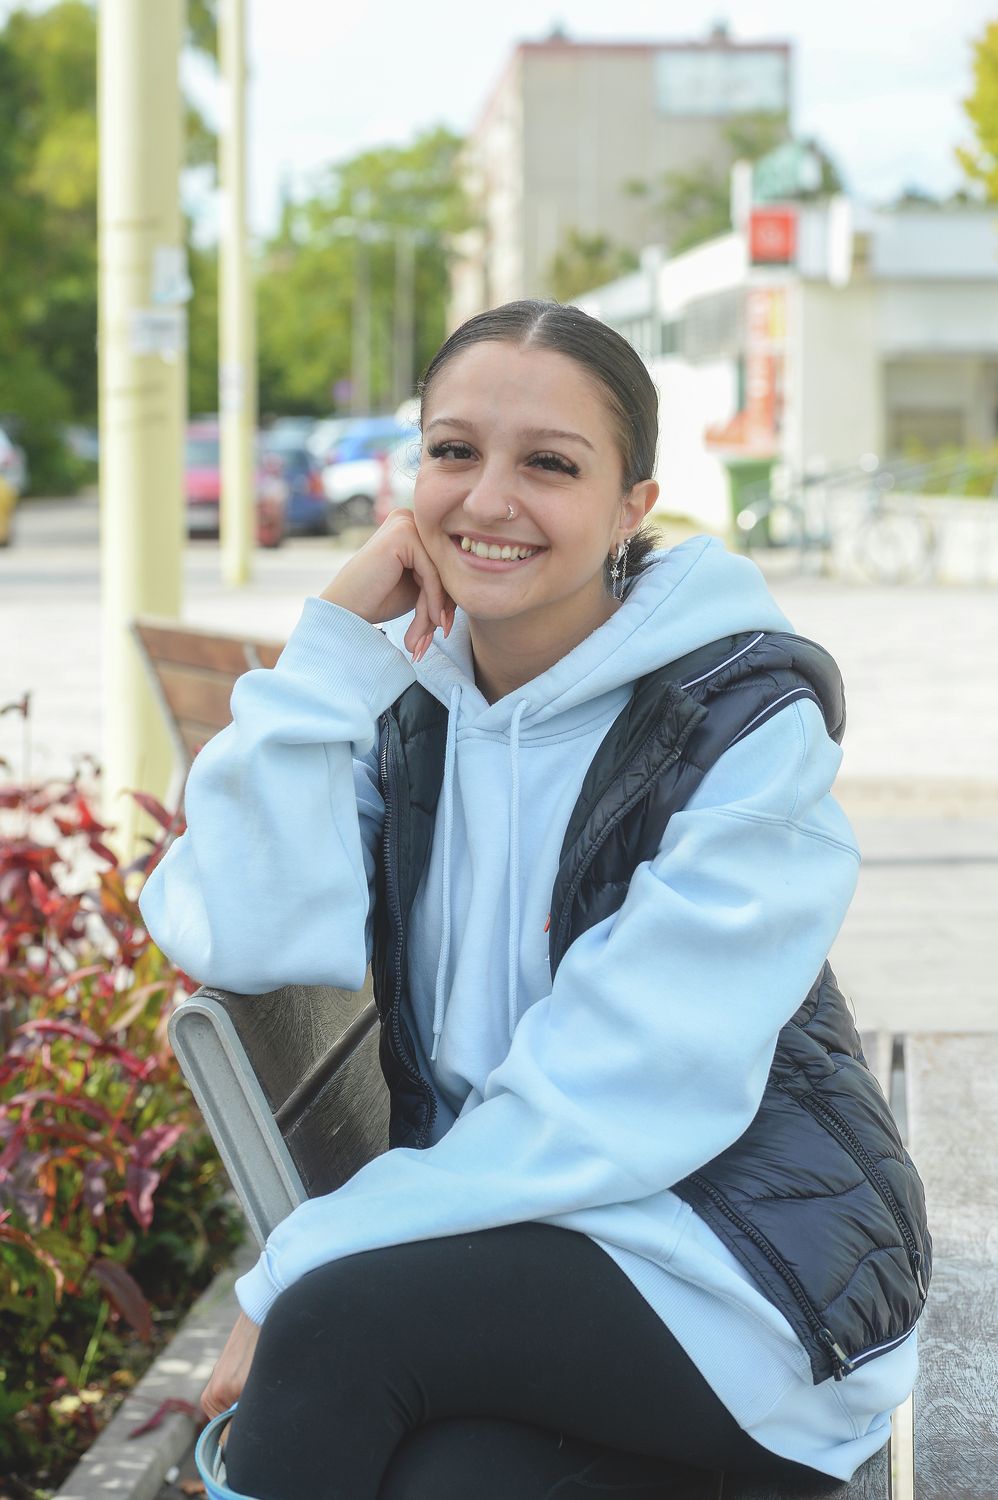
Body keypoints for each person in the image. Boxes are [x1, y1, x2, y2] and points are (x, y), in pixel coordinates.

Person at [140, 301, 929, 1500]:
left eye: (547, 465)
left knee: (333, 1326)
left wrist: (298, 1264)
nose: (487, 500)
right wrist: (326, 661)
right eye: (453, 451)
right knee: (438, 1477)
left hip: (730, 1261)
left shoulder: (740, 732)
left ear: (631, 509)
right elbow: (234, 930)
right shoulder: (412, 711)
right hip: (519, 1226)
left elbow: (619, 1094)